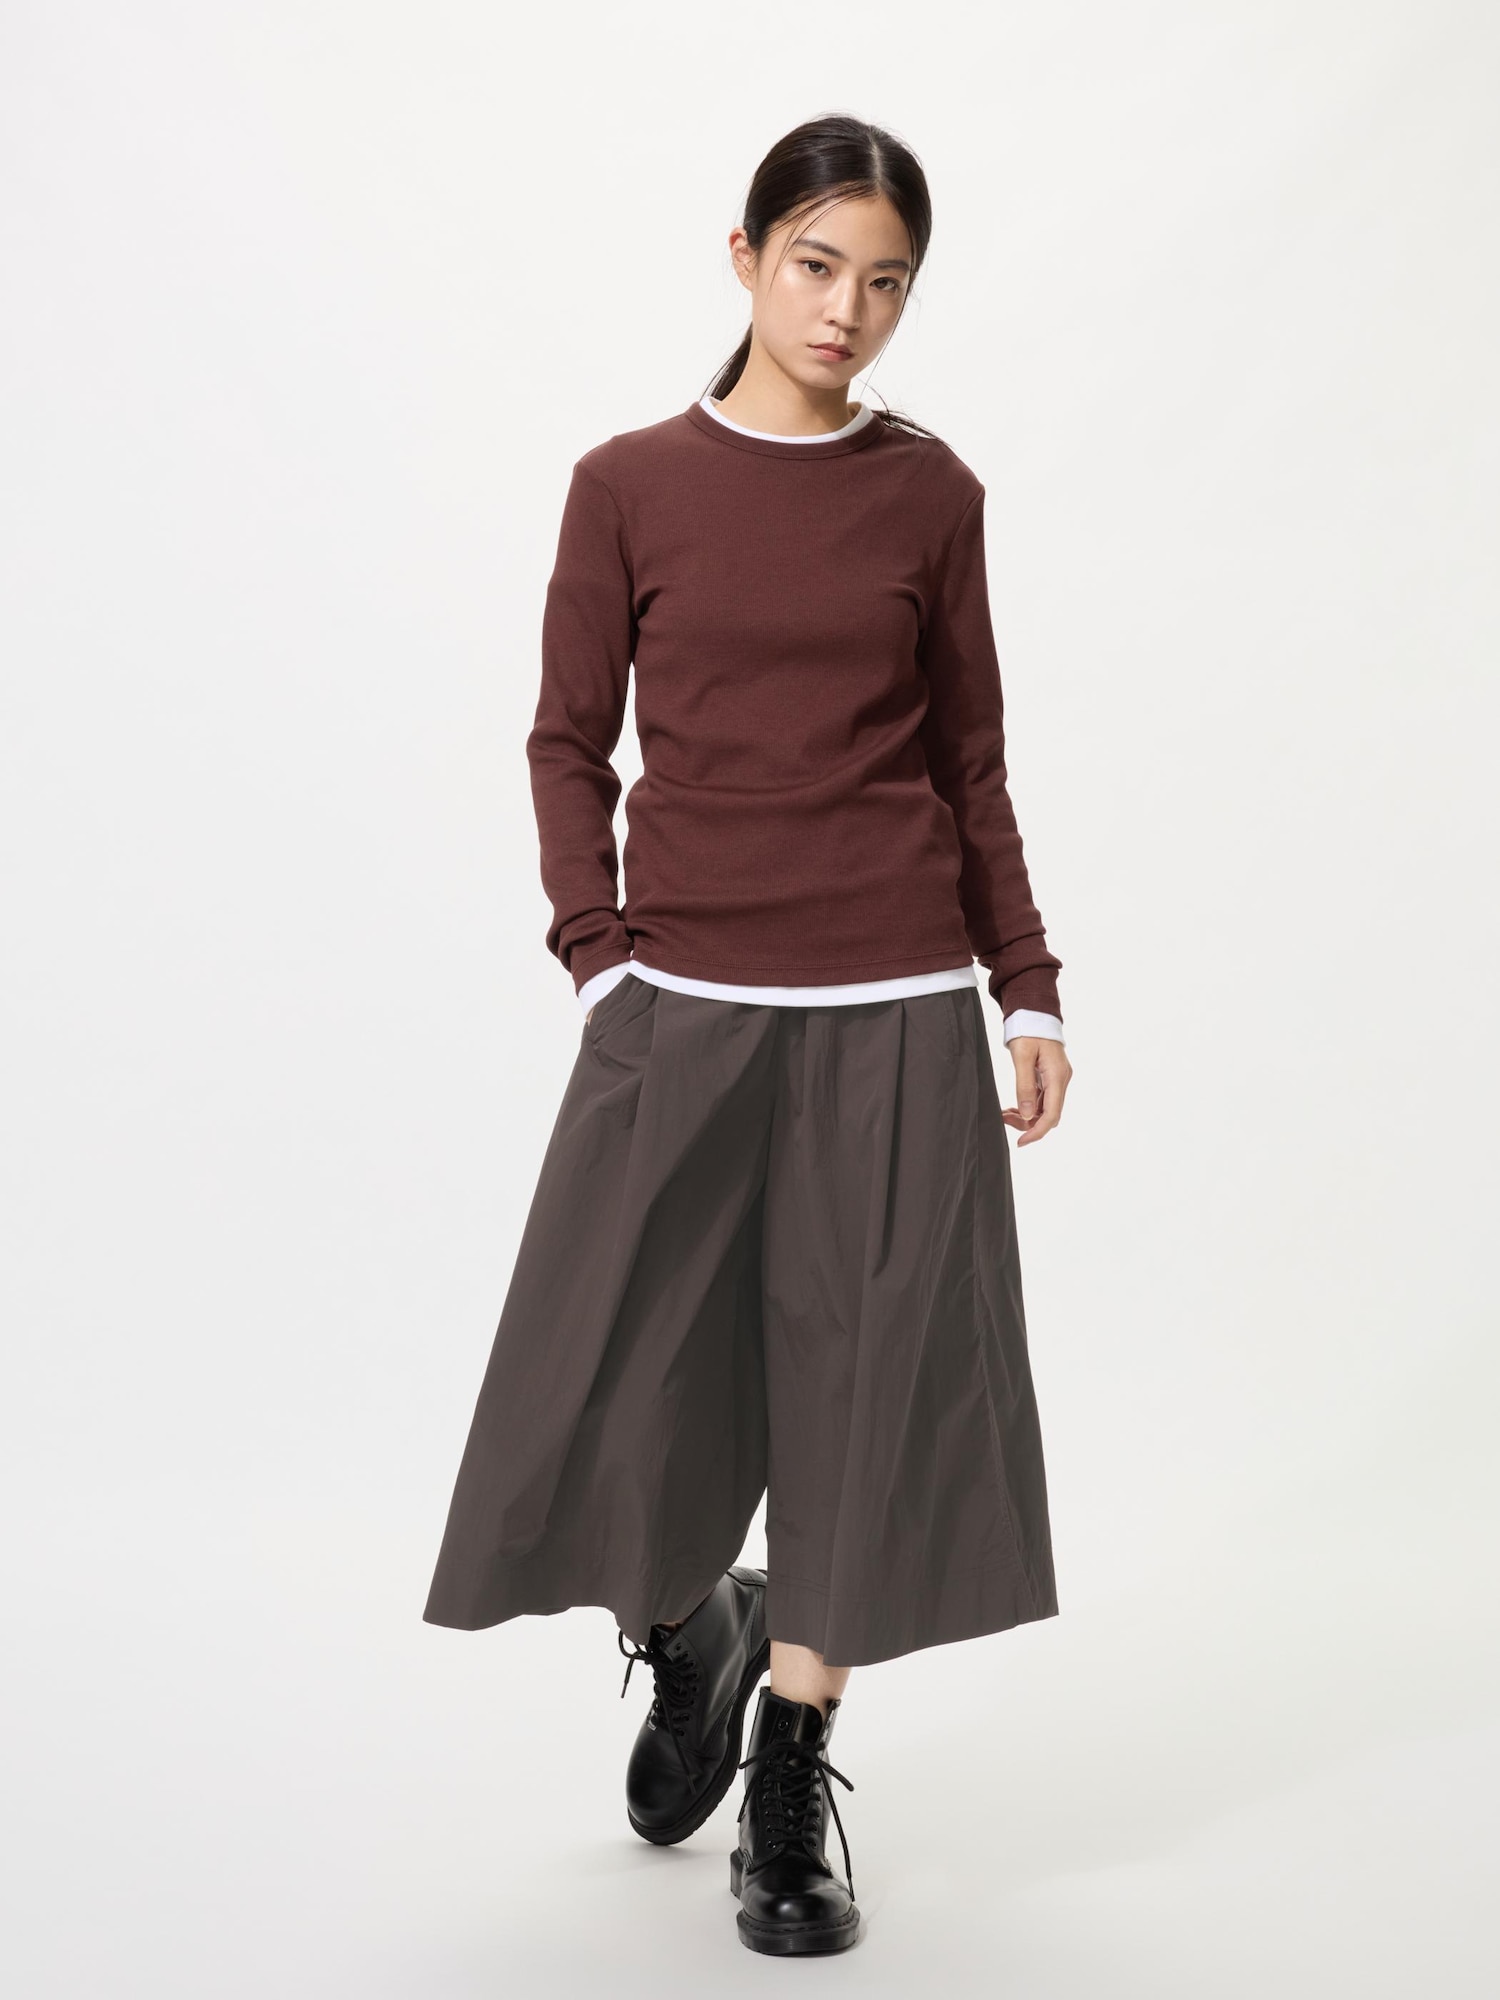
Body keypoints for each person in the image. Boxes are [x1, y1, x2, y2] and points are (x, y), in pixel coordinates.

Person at [422, 111, 1073, 1958]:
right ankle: (694, 1628)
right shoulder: (628, 483)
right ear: (745, 258)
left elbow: (970, 763)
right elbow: (567, 742)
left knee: (865, 1398)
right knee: (623, 1376)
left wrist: (1025, 982)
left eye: (887, 282)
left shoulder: (930, 495)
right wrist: (598, 959)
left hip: (893, 1003)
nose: (846, 309)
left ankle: (791, 1764)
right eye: (816, 265)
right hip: (685, 1004)